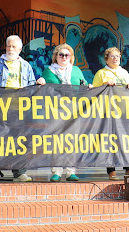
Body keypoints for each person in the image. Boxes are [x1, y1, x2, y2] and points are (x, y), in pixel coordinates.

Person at [0, 35, 45, 183]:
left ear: (19, 49)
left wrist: (38, 83)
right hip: (0, 109)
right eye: (8, 46)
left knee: (19, 141)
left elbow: (31, 86)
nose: (10, 49)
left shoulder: (26, 66)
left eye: (13, 47)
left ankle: (19, 172)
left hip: (20, 110)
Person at [41, 43, 88, 182]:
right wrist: (41, 82)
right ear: (56, 57)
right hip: (55, 110)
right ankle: (56, 171)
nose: (63, 57)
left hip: (73, 110)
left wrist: (88, 86)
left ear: (71, 57)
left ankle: (70, 171)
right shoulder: (48, 71)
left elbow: (83, 85)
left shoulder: (76, 70)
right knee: (57, 140)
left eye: (66, 55)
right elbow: (43, 90)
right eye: (60, 55)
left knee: (71, 140)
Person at [93, 47, 129, 180]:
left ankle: (128, 168)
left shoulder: (124, 72)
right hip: (108, 111)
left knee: (125, 140)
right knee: (110, 141)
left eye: (117, 56)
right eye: (112, 56)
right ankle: (111, 170)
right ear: (106, 59)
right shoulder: (101, 73)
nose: (116, 58)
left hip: (124, 111)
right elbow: (94, 91)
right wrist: (104, 85)